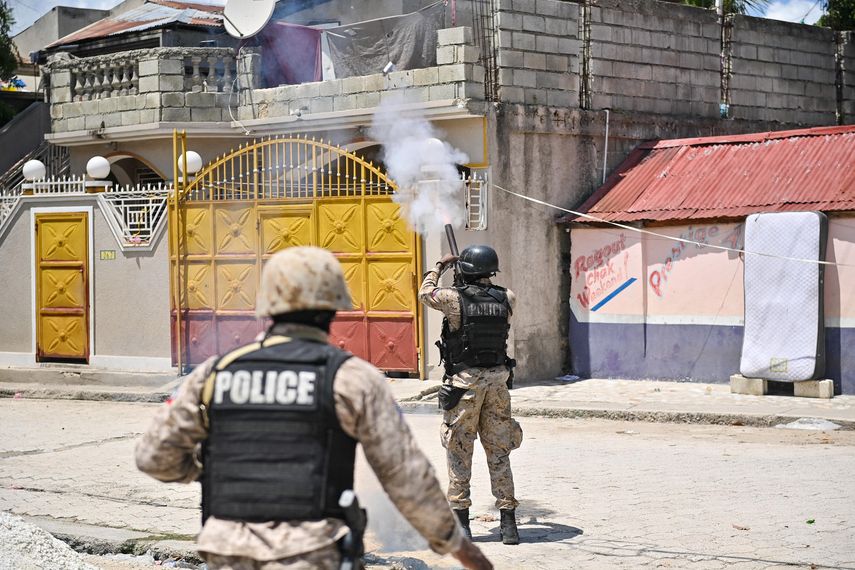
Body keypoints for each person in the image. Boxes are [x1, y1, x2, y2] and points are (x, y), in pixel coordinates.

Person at [136, 246, 492, 570]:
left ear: (268, 305)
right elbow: (406, 477)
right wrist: (462, 551)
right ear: (333, 305)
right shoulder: (352, 378)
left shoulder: (215, 373)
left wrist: (213, 472)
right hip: (312, 555)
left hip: (227, 553)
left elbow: (154, 457)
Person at [418, 245, 523, 546]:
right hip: (498, 384)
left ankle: (462, 524)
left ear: (465, 270)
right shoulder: (508, 297)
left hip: (465, 386)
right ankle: (509, 524)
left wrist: (439, 265)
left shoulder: (453, 299)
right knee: (499, 451)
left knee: (459, 451)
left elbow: (426, 293)